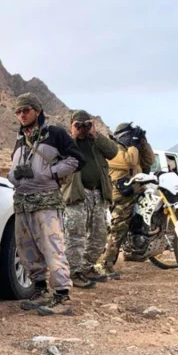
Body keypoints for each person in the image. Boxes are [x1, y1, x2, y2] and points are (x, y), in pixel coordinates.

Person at [8, 93, 85, 316]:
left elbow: (77, 160)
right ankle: (40, 290)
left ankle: (62, 296)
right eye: (18, 111)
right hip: (23, 201)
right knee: (26, 248)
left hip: (46, 200)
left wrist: (50, 173)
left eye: (26, 110)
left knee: (53, 247)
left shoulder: (56, 134)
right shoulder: (20, 137)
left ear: (38, 111)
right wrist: (13, 177)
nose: (22, 115)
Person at [61, 110, 119, 286]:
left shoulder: (96, 143)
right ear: (71, 126)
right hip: (78, 194)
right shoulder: (67, 143)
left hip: (98, 194)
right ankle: (74, 272)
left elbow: (113, 152)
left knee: (99, 235)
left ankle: (87, 267)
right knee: (75, 235)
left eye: (86, 124)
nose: (83, 129)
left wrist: (96, 134)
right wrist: (73, 136)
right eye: (78, 125)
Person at [92, 122, 154, 279]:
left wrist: (143, 143)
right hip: (121, 196)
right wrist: (133, 144)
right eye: (130, 135)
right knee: (119, 229)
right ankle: (106, 264)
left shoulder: (132, 149)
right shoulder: (113, 150)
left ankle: (136, 251)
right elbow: (129, 162)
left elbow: (149, 161)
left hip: (138, 191)